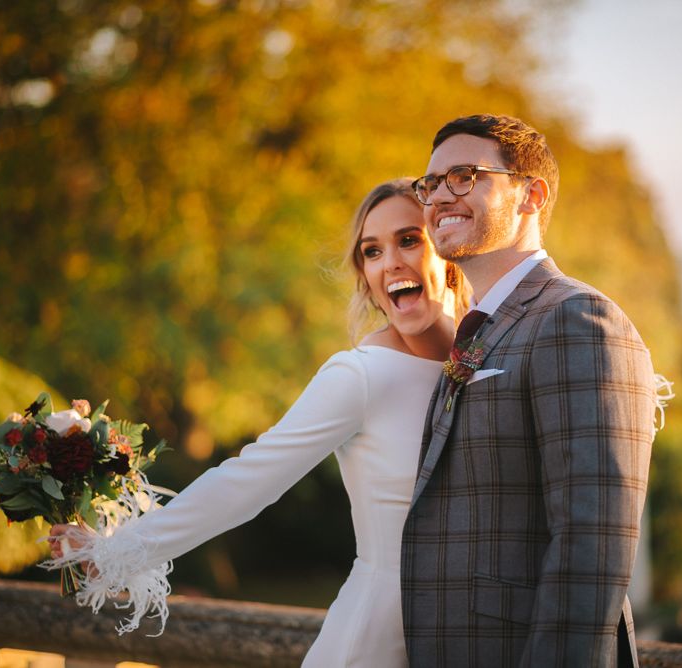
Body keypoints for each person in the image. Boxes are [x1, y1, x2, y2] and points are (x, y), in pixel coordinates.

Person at [47, 178, 466, 667]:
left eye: (409, 239)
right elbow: (247, 480)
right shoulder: (359, 375)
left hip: (477, 636)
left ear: (452, 251)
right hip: (379, 640)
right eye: (371, 252)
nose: (390, 262)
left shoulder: (492, 357)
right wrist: (116, 551)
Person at [400, 114, 657, 667]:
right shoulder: (482, 326)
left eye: (464, 175)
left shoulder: (577, 318)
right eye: (430, 184)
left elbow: (594, 540)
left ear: (530, 195)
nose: (439, 196)